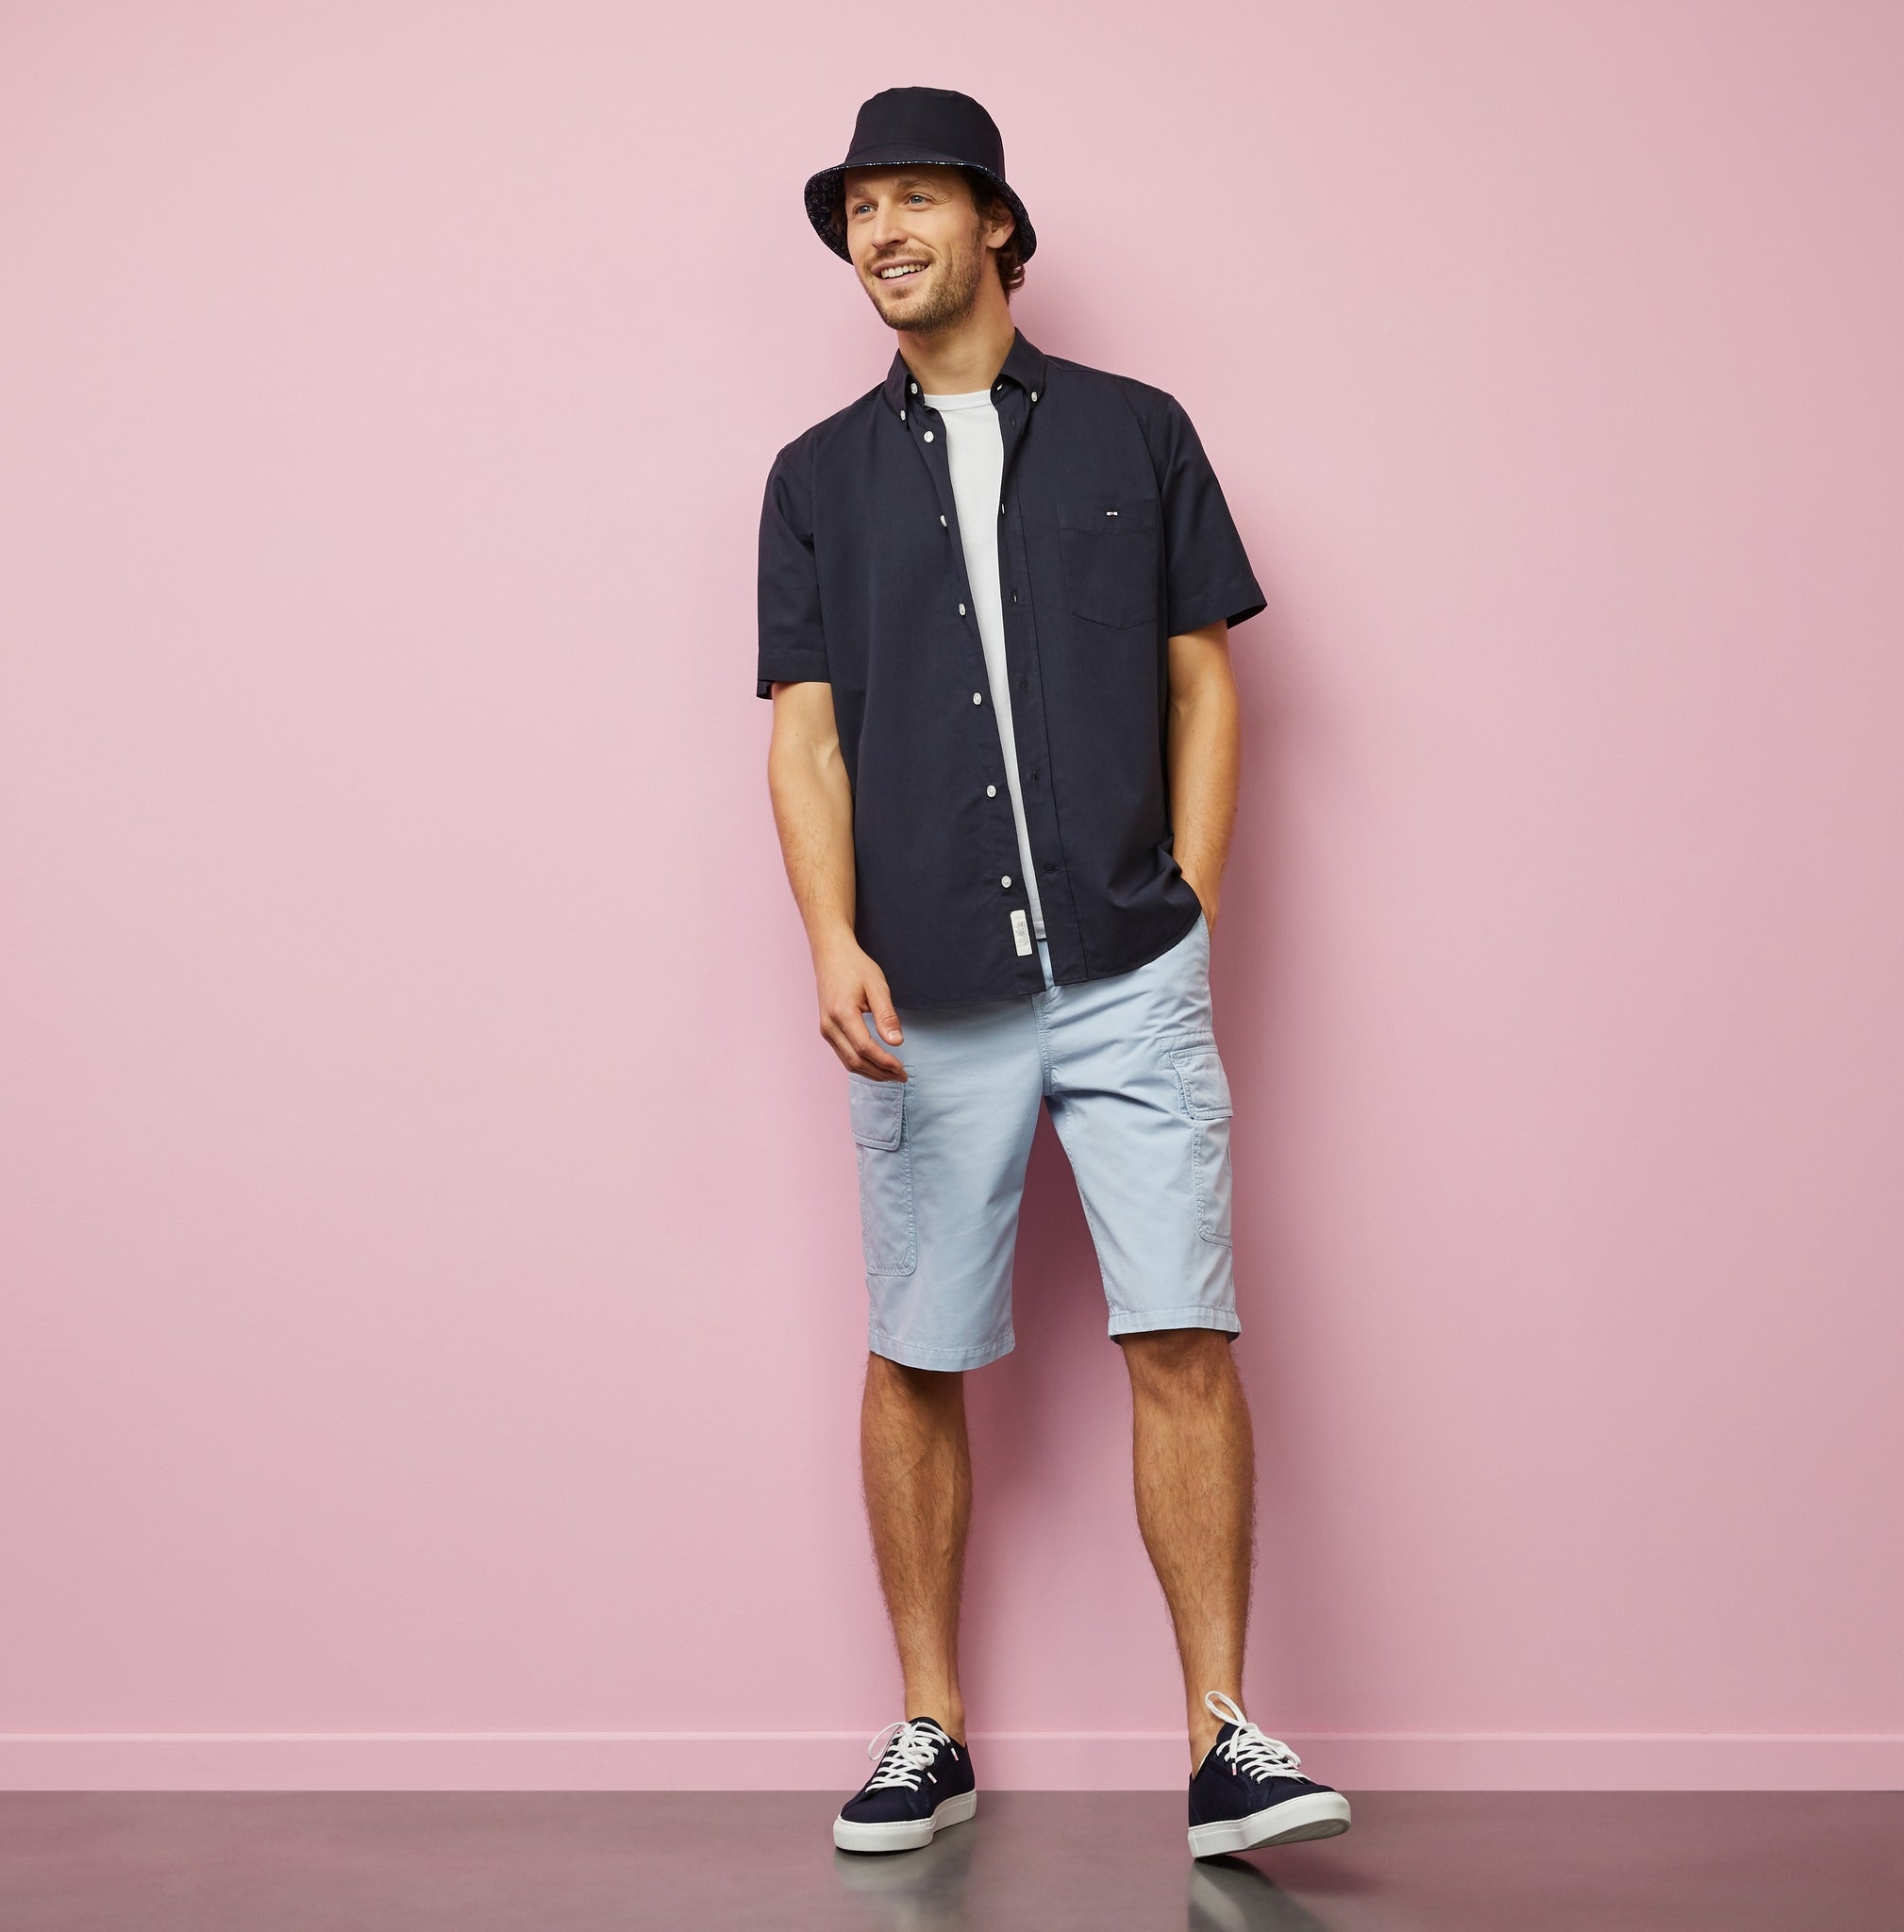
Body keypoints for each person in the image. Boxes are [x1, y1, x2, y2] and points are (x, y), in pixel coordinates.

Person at [757, 85, 1352, 1862]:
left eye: (914, 198)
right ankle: (928, 1729)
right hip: (922, 989)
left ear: (998, 224)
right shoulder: (813, 480)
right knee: (917, 1348)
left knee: (1184, 1331)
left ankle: (1226, 1740)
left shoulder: (1135, 433)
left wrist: (1190, 911)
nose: (882, 233)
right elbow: (808, 739)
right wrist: (830, 937)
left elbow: (1203, 684)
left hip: (1127, 965)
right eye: (860, 208)